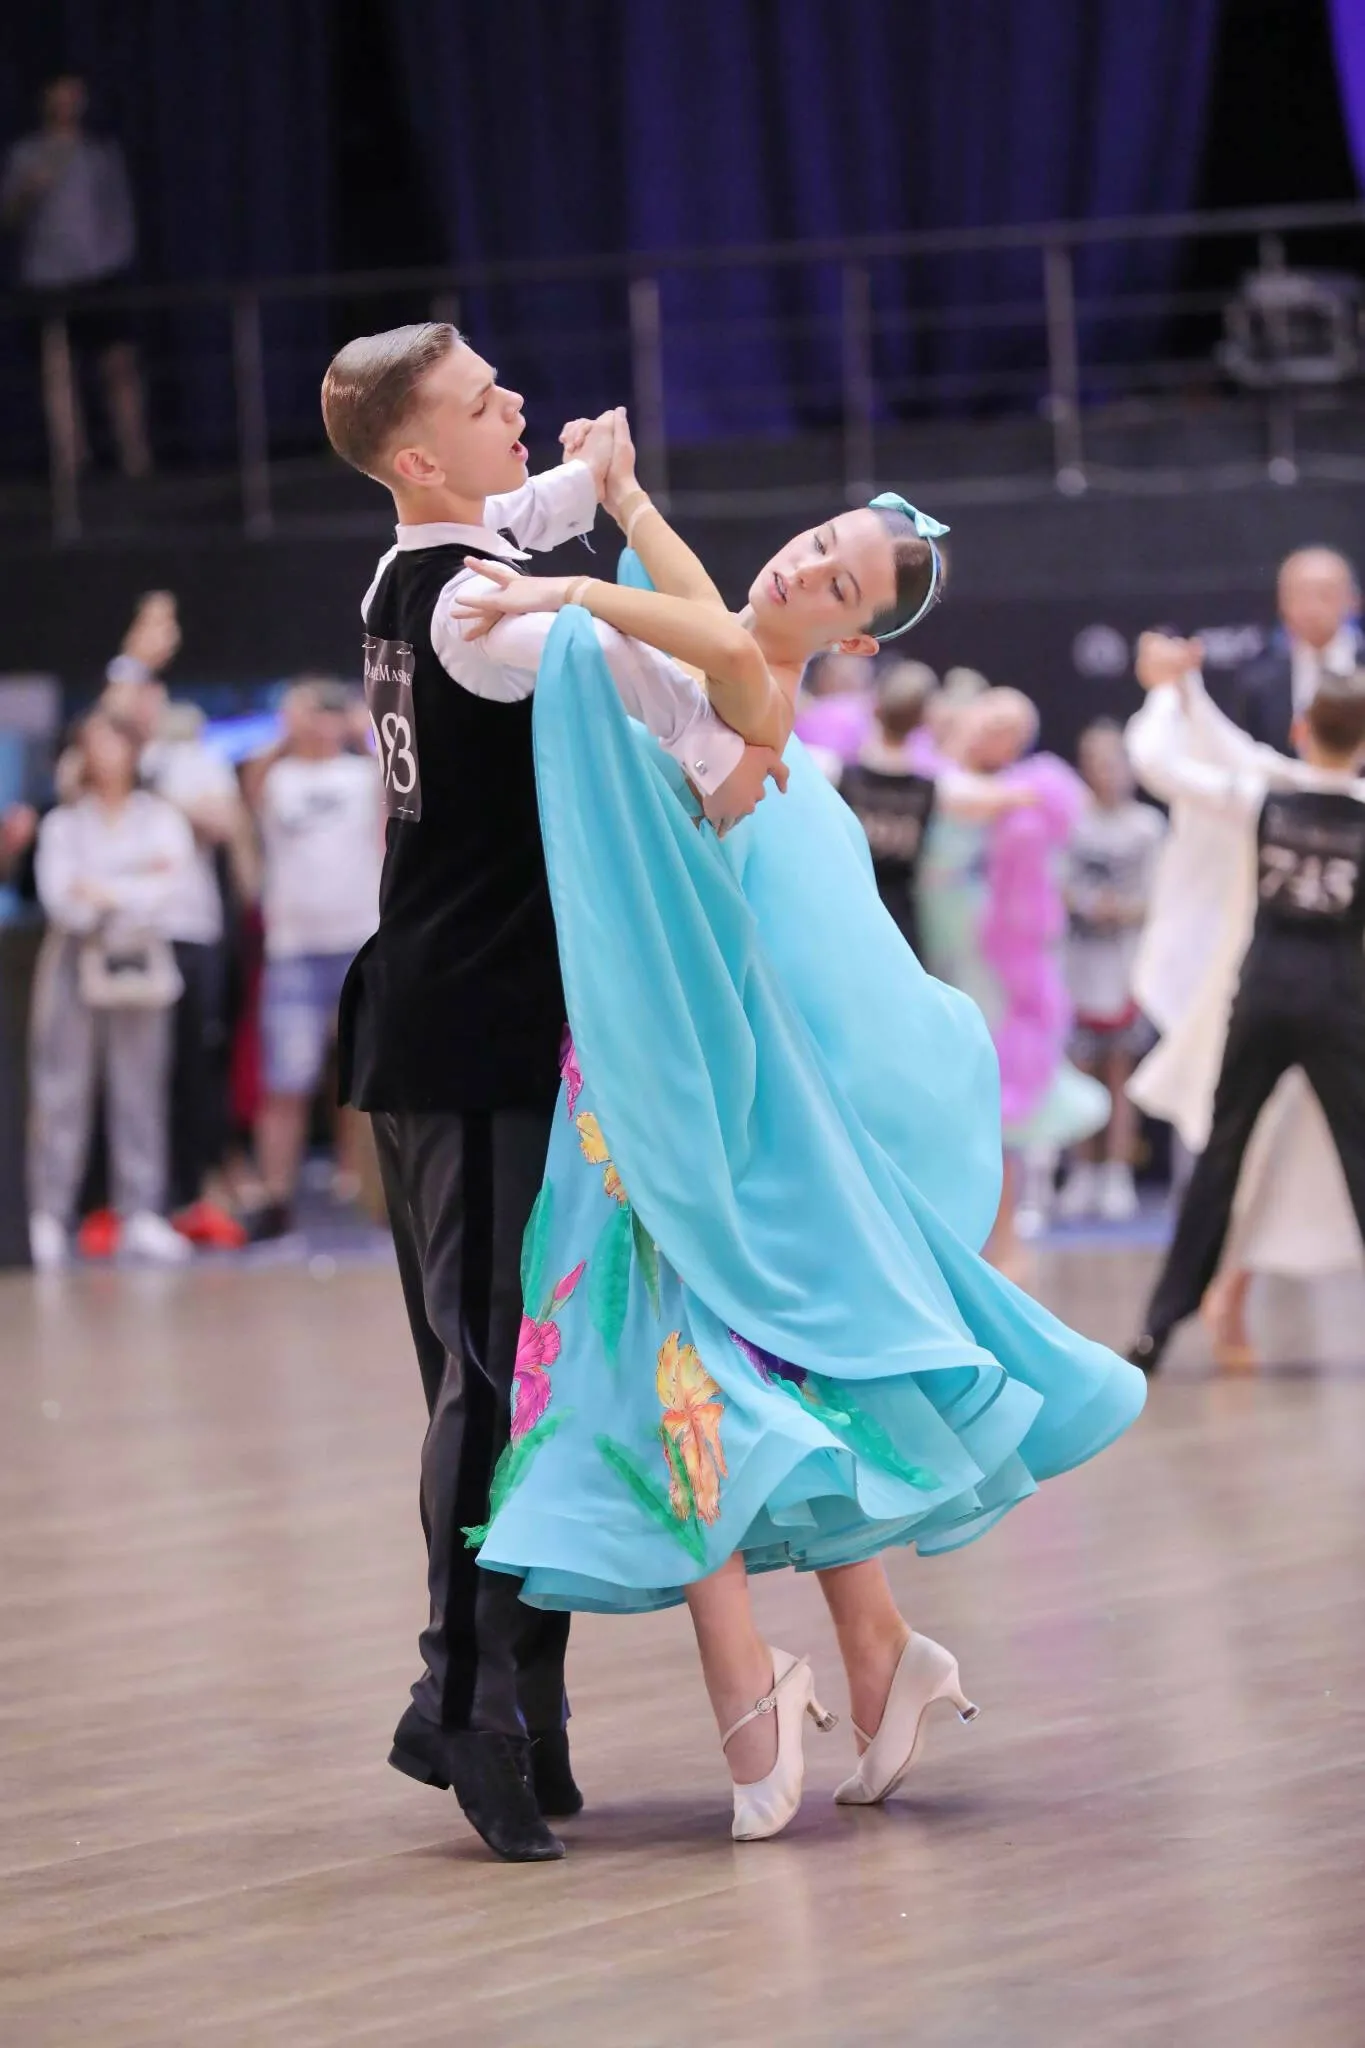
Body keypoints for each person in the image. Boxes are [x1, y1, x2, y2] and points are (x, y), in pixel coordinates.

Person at [451, 423, 1146, 1848]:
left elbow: (711, 646)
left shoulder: (746, 685)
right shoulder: (729, 654)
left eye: (837, 579)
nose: (808, 565)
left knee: (702, 1360)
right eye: (819, 540)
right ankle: (870, 1653)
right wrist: (629, 501)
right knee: (728, 1361)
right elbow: (705, 612)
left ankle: (769, 1679)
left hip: (700, 1080)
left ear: (854, 636)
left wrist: (568, 584)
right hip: (645, 1064)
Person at [320, 324, 780, 1865]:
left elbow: (521, 515)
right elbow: (684, 650)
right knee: (483, 1369)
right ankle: (462, 1701)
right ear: (416, 460)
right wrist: (642, 561)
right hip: (467, 1038)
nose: (514, 403)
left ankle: (523, 1700)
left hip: (474, 1031)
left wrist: (594, 476)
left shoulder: (428, 563)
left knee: (525, 1368)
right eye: (480, 403)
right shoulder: (484, 620)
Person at [1127, 636, 1365, 1367]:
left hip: (1261, 996)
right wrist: (1184, 693)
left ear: (1299, 727)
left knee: (1219, 1156)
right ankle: (1174, 1316)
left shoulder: (1262, 796)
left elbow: (1161, 764)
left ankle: (1157, 1327)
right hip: (1338, 1005)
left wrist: (1169, 691)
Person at [913, 687, 1108, 1271]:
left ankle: (1001, 1241)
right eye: (992, 718)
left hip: (990, 958)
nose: (996, 732)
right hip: (921, 938)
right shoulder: (933, 770)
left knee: (998, 1091)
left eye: (1011, 726)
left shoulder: (1038, 789)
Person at [102, 592, 250, 1249]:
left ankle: (187, 1193)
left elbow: (218, 823)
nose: (148, 709)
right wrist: (133, 656)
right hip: (137, 932)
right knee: (135, 1070)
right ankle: (132, 1201)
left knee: (196, 1065)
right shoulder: (121, 764)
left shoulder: (195, 763)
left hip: (193, 933)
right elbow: (109, 718)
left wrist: (162, 796)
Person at [28, 708, 194, 1270]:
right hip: (77, 962)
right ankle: (49, 1214)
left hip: (142, 961)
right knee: (63, 1090)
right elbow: (63, 899)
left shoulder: (159, 817)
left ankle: (140, 1214)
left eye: (114, 742)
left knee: (139, 1088)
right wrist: (129, 884)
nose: (105, 754)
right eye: (92, 743)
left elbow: (173, 887)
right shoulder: (64, 824)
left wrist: (107, 890)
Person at [245, 678, 384, 1239]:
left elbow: (399, 780)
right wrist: (286, 729)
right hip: (295, 950)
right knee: (285, 1081)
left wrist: (361, 726)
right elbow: (249, 785)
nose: (318, 721)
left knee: (369, 1080)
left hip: (360, 944)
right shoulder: (275, 775)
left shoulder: (361, 774)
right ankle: (275, 1196)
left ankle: (373, 1191)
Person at [836, 662, 1039, 961]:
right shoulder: (937, 789)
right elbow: (1016, 797)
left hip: (844, 912)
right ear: (926, 719)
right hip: (899, 926)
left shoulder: (836, 773)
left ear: (874, 705)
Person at [0, 75, 149, 480]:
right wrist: (29, 191)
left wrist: (115, 258)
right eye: (59, 92)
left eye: (74, 93)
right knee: (59, 372)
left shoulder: (99, 152)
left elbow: (120, 212)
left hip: (101, 275)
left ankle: (135, 457)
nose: (67, 101)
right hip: (48, 278)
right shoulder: (26, 153)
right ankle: (71, 464)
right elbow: (8, 216)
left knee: (118, 366)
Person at [1056, 722, 1165, 1223]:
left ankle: (1117, 1172)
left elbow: (1159, 897)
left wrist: (1120, 910)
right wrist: (1082, 902)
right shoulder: (1071, 820)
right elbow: (1054, 884)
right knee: (1081, 1073)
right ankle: (1082, 1170)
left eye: (1114, 762)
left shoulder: (1147, 826)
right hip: (1078, 966)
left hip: (1126, 967)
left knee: (1121, 1072)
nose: (1107, 773)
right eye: (1096, 763)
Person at [1231, 548, 1359, 753]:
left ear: (1353, 599)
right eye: (1299, 594)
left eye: (1325, 594)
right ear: (1281, 602)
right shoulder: (1258, 683)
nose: (1312, 607)